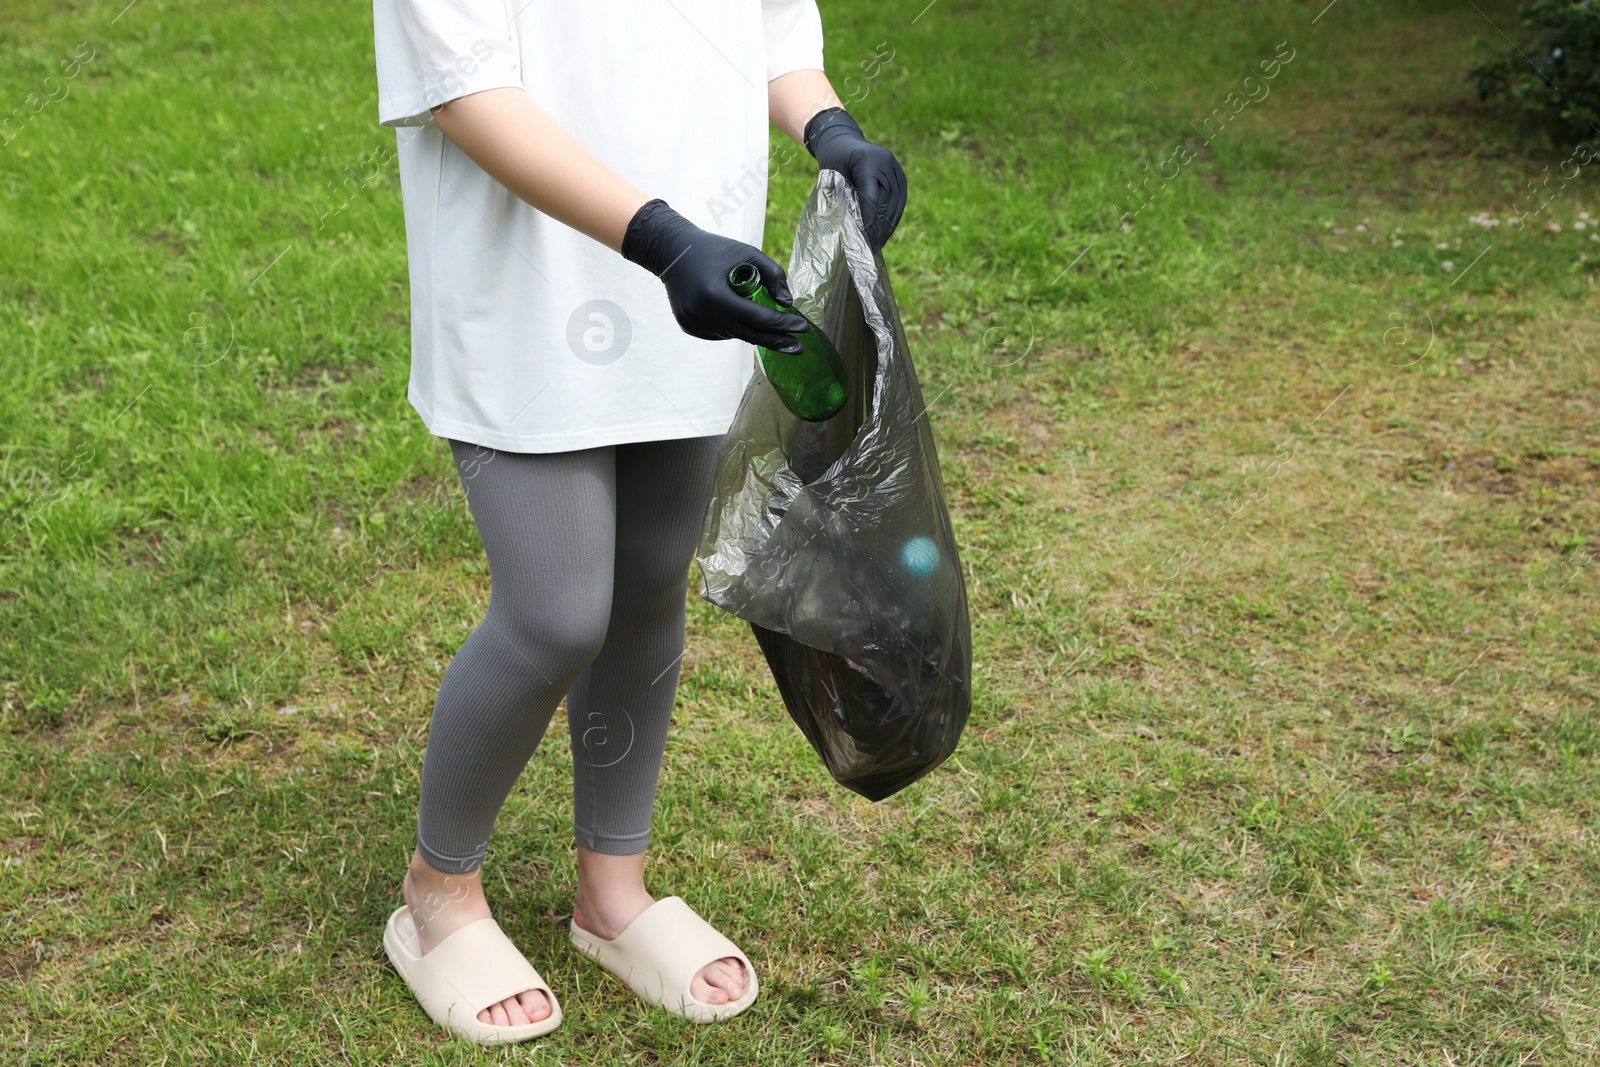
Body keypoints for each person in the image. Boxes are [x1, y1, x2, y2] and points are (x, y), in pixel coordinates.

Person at [369, 0, 907, 1044]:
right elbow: (460, 90)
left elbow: (770, 31)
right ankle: (437, 894)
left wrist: (829, 128)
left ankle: (611, 889)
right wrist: (660, 242)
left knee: (653, 578)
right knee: (557, 613)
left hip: (697, 286)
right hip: (536, 292)